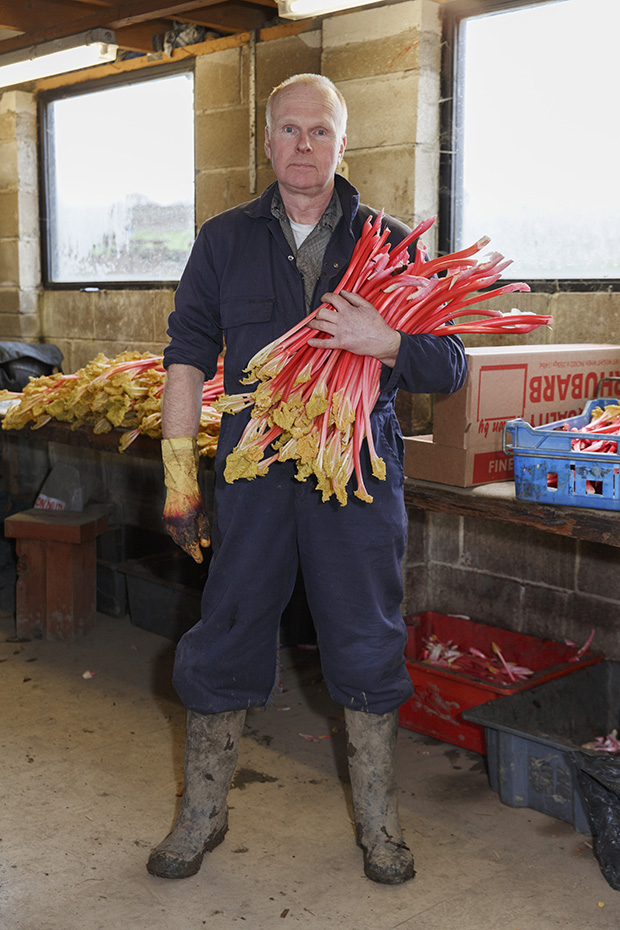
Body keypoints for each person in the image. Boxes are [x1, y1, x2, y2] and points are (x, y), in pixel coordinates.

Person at [148, 73, 467, 885]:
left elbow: (452, 361)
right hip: (255, 474)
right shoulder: (222, 239)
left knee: (364, 638)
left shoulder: (387, 241)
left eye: (319, 131)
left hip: (357, 474)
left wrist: (385, 339)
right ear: (265, 141)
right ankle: (202, 815)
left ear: (342, 141)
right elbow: (186, 353)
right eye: (288, 130)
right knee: (226, 629)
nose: (303, 146)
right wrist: (181, 472)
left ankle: (379, 823)